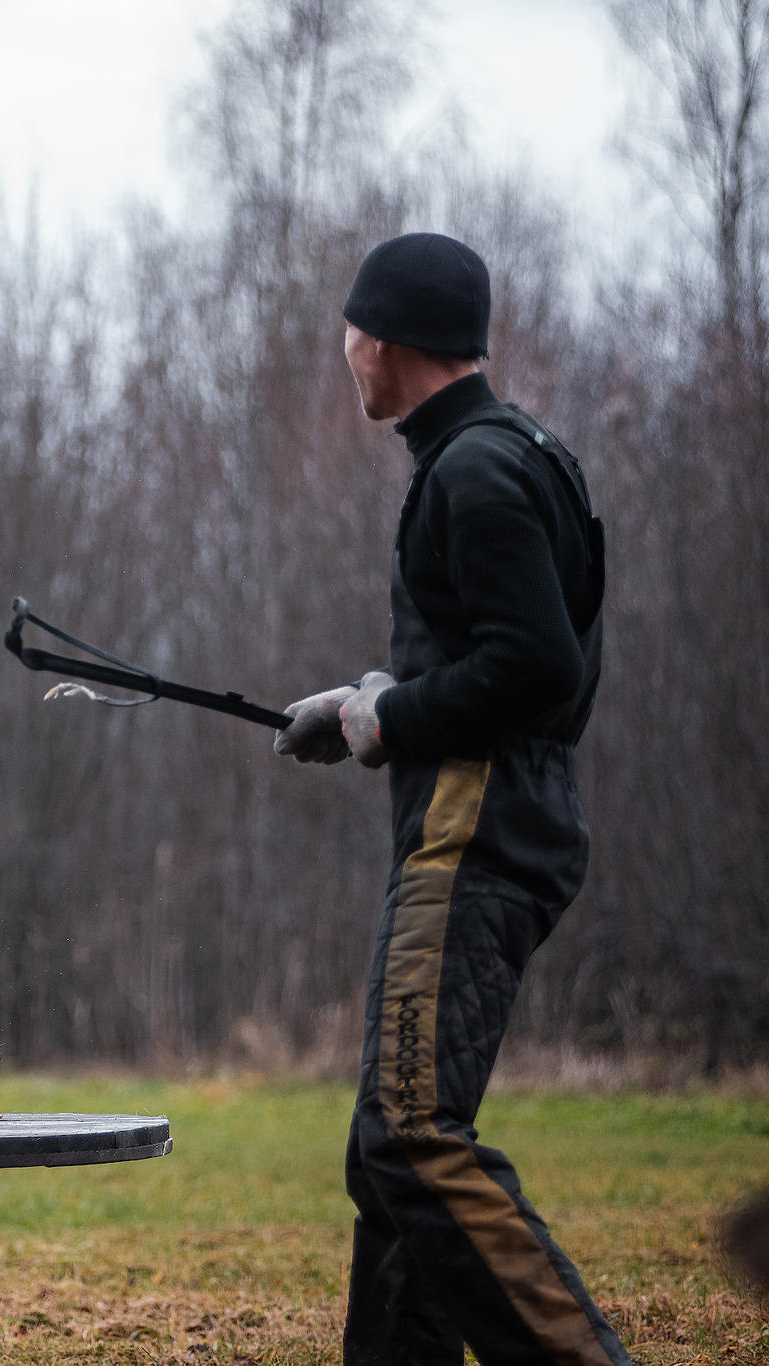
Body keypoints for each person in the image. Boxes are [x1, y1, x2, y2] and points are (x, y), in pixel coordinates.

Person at [273, 232, 630, 1365]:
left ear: (382, 339)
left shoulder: (472, 469)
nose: (343, 353)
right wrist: (364, 701)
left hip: (471, 832)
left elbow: (537, 670)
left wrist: (393, 717)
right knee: (389, 1149)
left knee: (413, 1141)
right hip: (490, 819)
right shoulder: (510, 450)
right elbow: (501, 655)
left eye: (349, 332)